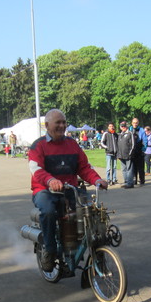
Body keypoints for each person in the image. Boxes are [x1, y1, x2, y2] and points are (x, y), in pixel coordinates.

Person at [29, 109, 108, 272]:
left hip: (70, 190)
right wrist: (50, 180)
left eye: (64, 122)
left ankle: (99, 251)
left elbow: (84, 167)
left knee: (93, 211)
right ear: (47, 125)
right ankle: (49, 251)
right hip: (44, 190)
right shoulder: (39, 145)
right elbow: (35, 169)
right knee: (49, 212)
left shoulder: (72, 144)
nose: (62, 125)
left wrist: (97, 180)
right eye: (58, 122)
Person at [116, 121, 135, 189]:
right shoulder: (120, 134)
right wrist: (118, 154)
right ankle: (126, 182)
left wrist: (130, 153)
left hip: (128, 155)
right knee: (124, 169)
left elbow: (133, 145)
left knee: (129, 169)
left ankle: (130, 183)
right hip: (121, 155)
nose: (123, 127)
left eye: (124, 126)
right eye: (122, 126)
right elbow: (118, 145)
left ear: (126, 127)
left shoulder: (130, 133)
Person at [130, 117, 146, 186]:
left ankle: (142, 180)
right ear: (132, 123)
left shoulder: (141, 130)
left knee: (141, 167)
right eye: (134, 123)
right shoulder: (129, 129)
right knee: (133, 167)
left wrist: (143, 149)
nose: (135, 124)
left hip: (140, 150)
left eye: (136, 123)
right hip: (132, 150)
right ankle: (134, 180)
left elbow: (145, 141)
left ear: (138, 123)